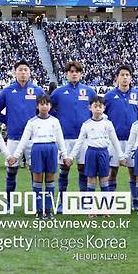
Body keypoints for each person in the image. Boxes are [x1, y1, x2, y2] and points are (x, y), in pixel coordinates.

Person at [0, 60, 45, 210]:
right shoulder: (7, 91)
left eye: (25, 70)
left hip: (33, 139)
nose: (23, 72)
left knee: (35, 171)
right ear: (15, 72)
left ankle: (37, 204)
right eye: (20, 70)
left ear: (30, 73)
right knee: (11, 171)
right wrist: (8, 120)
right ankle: (9, 204)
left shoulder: (37, 91)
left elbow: (44, 111)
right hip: (14, 137)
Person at [7, 94, 68, 219]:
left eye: (47, 104)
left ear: (50, 106)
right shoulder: (32, 122)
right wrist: (16, 156)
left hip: (51, 149)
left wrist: (65, 155)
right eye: (42, 104)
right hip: (37, 150)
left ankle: (49, 209)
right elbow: (24, 140)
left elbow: (60, 139)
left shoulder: (55, 121)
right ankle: (39, 209)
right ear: (37, 106)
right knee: (38, 179)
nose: (44, 107)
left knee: (50, 180)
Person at [66, 95, 125, 217]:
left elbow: (115, 140)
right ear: (90, 108)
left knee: (104, 179)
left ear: (104, 108)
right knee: (91, 180)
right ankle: (90, 209)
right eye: (95, 106)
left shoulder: (108, 124)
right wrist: (71, 157)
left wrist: (121, 156)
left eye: (100, 106)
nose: (98, 109)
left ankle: (105, 209)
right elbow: (79, 142)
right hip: (91, 153)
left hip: (103, 153)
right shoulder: (86, 124)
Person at [50, 61, 96, 209]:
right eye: (71, 71)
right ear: (66, 74)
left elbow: (96, 111)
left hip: (84, 138)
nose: (74, 73)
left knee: (83, 170)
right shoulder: (58, 92)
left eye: (77, 71)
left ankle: (84, 202)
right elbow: (48, 109)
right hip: (65, 137)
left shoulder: (89, 92)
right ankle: (61, 202)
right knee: (64, 170)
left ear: (81, 74)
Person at [104, 65, 138, 209]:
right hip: (114, 141)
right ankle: (110, 201)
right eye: (122, 74)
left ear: (131, 77)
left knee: (134, 172)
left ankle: (136, 201)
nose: (125, 77)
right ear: (117, 77)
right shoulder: (109, 96)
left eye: (127, 74)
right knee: (112, 171)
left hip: (132, 141)